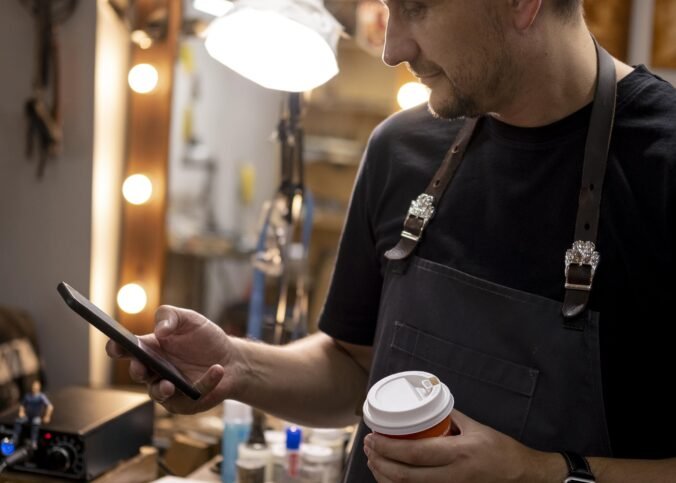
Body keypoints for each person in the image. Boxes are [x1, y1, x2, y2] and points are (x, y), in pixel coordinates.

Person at [108, 0, 676, 481]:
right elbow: (354, 368)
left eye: (416, 7)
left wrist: (539, 470)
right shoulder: (400, 149)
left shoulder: (662, 162)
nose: (392, 48)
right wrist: (236, 366)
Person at [12, 380, 53, 449]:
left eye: (36, 387)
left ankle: (34, 441)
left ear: (39, 388)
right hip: (28, 416)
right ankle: (15, 438)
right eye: (33, 387)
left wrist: (47, 416)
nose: (34, 388)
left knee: (35, 425)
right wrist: (21, 412)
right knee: (18, 421)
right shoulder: (28, 396)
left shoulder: (41, 396)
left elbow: (50, 406)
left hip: (36, 417)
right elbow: (22, 405)